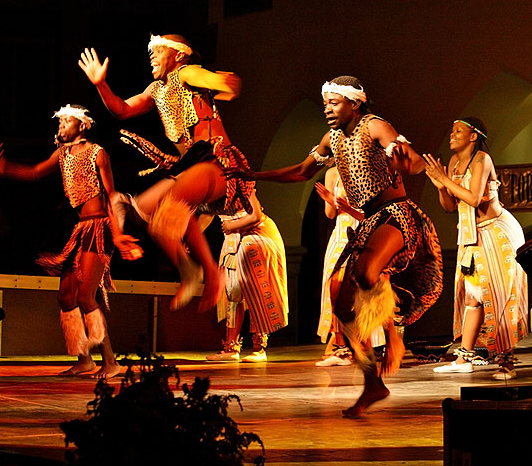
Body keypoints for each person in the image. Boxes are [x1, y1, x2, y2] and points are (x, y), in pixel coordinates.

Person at [228, 76, 443, 417]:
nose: (327, 108)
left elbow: (414, 161)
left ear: (354, 104)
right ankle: (373, 382)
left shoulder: (375, 126)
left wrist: (407, 161)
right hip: (369, 220)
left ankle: (394, 335)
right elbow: (301, 171)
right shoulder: (332, 139)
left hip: (397, 215)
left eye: (334, 103)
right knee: (340, 301)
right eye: (325, 103)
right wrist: (253, 175)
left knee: (366, 270)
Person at [78, 35, 255, 311]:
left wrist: (223, 84)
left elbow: (219, 82)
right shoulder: (156, 89)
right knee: (150, 218)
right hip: (193, 169)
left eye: (158, 50)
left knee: (169, 211)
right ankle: (190, 270)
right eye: (150, 52)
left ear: (179, 55)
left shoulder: (187, 72)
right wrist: (100, 84)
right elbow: (122, 110)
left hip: (219, 164)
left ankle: (210, 272)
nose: (151, 56)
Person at [0, 104, 139, 378]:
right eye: (60, 122)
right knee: (66, 296)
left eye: (66, 121)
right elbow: (34, 172)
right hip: (80, 230)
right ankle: (84, 359)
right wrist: (4, 168)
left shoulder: (98, 153)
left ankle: (110, 361)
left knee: (87, 296)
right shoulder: (62, 155)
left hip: (99, 227)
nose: (61, 126)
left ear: (82, 125)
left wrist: (117, 233)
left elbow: (112, 196)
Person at [423, 118, 529, 380]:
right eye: (451, 130)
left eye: (458, 131)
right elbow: (450, 206)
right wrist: (440, 186)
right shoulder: (453, 163)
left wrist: (445, 181)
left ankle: (507, 363)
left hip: (496, 232)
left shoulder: (482, 159)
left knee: (499, 296)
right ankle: (464, 357)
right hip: (472, 236)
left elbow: (472, 197)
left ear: (473, 136)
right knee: (472, 297)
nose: (452, 135)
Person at [205, 192, 288, 363]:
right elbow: (207, 215)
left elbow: (255, 216)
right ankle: (231, 347)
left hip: (256, 235)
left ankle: (259, 348)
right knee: (233, 292)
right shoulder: (211, 188)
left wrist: (231, 226)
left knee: (256, 288)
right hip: (232, 238)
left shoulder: (242, 184)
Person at [313, 168, 362, 367]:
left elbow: (372, 215)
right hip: (340, 236)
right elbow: (330, 213)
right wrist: (331, 199)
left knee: (361, 294)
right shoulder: (332, 173)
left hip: (362, 235)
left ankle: (365, 347)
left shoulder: (367, 169)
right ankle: (340, 348)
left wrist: (348, 208)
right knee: (333, 289)